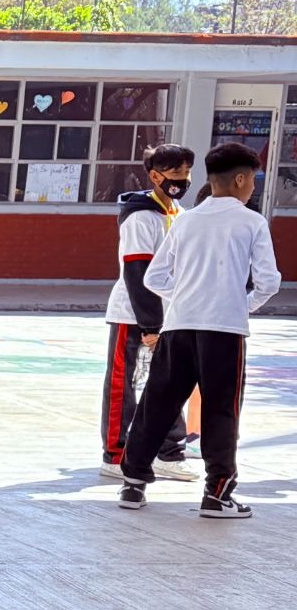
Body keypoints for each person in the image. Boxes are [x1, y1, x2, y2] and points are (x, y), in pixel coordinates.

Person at [120, 143, 281, 521]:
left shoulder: (186, 220)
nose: (252, 187)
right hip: (223, 330)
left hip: (179, 325)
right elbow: (269, 281)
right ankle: (217, 493)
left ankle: (133, 484)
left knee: (157, 403)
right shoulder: (251, 222)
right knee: (221, 410)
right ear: (240, 179)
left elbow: (154, 277)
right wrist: (241, 304)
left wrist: (187, 296)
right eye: (252, 180)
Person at [99, 145, 197, 483]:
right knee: (123, 384)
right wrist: (150, 324)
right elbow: (137, 271)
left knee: (170, 384)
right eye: (175, 172)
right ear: (155, 176)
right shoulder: (141, 217)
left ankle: (169, 452)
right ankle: (116, 453)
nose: (181, 179)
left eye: (186, 172)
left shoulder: (181, 214)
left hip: (173, 314)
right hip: (134, 314)